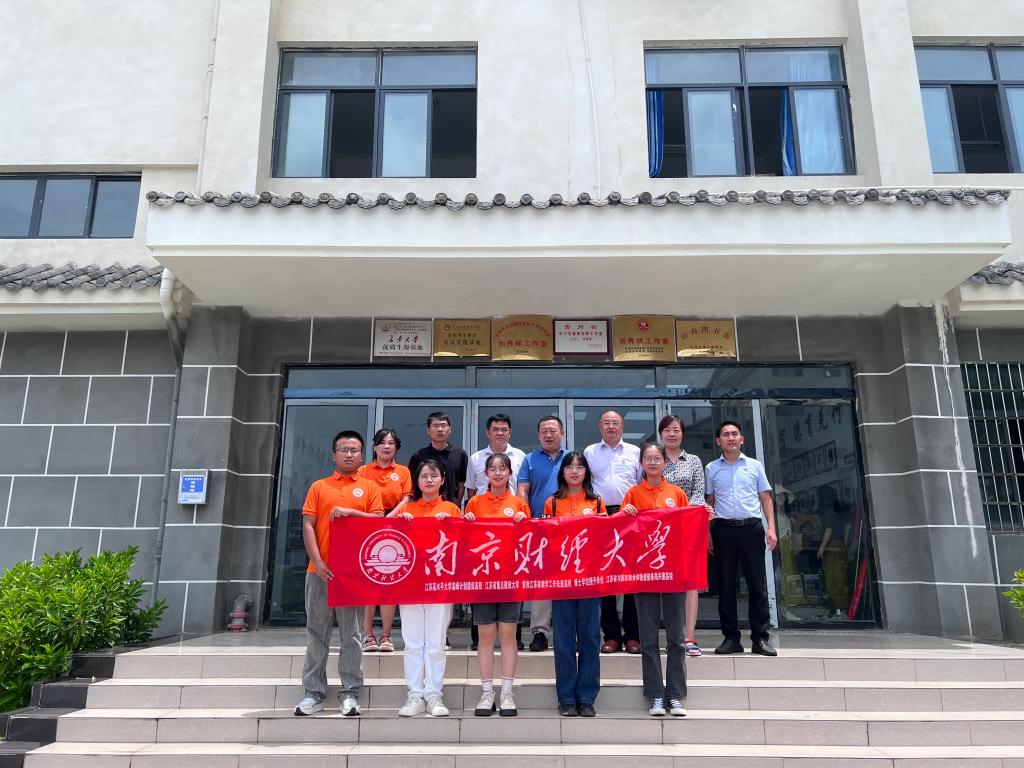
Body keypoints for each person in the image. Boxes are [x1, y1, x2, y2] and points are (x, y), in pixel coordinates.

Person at [294, 430, 384, 717]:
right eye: (344, 449)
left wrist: (351, 512)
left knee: (352, 635)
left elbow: (379, 521)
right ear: (333, 455)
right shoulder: (319, 487)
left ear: (362, 455)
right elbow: (308, 524)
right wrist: (317, 561)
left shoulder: (369, 488)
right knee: (316, 633)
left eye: (354, 450)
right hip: (319, 572)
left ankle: (350, 692)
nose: (349, 454)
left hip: (353, 574)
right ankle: (313, 693)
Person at [620, 442, 690, 717]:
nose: (652, 462)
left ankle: (675, 695)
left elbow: (687, 528)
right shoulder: (633, 494)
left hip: (673, 571)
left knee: (676, 637)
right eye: (647, 458)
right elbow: (622, 532)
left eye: (656, 458)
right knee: (648, 637)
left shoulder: (677, 493)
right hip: (644, 571)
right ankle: (655, 695)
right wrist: (624, 516)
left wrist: (702, 516)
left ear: (664, 462)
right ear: (641, 464)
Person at [390, 459, 460, 718]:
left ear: (442, 480)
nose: (429, 480)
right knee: (412, 642)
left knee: (435, 643)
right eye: (424, 476)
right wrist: (400, 522)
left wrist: (452, 525)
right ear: (417, 482)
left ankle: (433, 694)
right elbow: (386, 535)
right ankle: (414, 694)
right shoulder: (407, 508)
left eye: (434, 475)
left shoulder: (451, 508)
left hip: (440, 585)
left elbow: (463, 545)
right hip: (410, 584)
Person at [463, 452, 530, 716]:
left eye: (503, 468)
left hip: (511, 579)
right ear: (486, 474)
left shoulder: (519, 504)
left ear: (510, 474)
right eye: (493, 468)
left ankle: (507, 692)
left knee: (508, 635)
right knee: (486, 636)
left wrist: (525, 524)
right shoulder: (474, 503)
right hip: (483, 579)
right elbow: (465, 543)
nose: (498, 472)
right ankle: (487, 692)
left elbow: (530, 543)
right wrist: (467, 524)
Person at [705, 420, 779, 656]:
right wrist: (707, 532)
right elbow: (709, 502)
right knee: (726, 586)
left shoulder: (754, 466)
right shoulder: (711, 468)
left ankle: (760, 638)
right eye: (725, 434)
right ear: (718, 441)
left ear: (742, 439)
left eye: (734, 434)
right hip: (723, 530)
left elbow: (765, 497)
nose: (730, 438)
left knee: (757, 585)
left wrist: (771, 528)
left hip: (751, 529)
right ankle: (731, 638)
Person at [543, 451, 605, 718]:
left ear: (586, 472)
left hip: (590, 578)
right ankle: (566, 697)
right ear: (563, 472)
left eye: (580, 467)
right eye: (570, 467)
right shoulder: (552, 503)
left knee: (590, 637)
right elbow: (545, 539)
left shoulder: (597, 502)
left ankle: (587, 696)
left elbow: (605, 538)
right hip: (562, 580)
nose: (575, 471)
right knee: (564, 639)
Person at [465, 413, 527, 651]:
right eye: (495, 429)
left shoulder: (520, 456)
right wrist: (473, 516)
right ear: (487, 432)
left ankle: (514, 637)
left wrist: (522, 516)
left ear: (510, 432)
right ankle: (478, 637)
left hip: (511, 542)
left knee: (511, 597)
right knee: (482, 597)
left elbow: (523, 488)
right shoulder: (476, 458)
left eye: (504, 429)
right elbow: (471, 490)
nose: (500, 432)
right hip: (483, 544)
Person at [584, 410, 642, 653]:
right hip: (601, 517)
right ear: (600, 426)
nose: (611, 427)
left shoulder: (634, 452)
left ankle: (632, 636)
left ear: (622, 426)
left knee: (630, 577)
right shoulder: (590, 452)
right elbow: (585, 484)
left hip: (628, 516)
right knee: (605, 577)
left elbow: (640, 484)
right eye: (606, 423)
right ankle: (611, 636)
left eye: (615, 423)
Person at [659, 415, 712, 657]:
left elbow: (699, 494)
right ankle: (671, 635)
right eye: (667, 430)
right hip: (661, 531)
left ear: (682, 434)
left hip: (689, 528)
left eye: (676, 430)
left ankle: (689, 637)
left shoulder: (693, 461)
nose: (672, 434)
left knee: (690, 583)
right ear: (661, 434)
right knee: (666, 581)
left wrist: (685, 515)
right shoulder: (655, 458)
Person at [516, 415, 567, 654]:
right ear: (538, 435)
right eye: (544, 431)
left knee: (567, 580)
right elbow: (523, 490)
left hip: (567, 529)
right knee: (541, 582)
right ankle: (539, 632)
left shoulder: (571, 459)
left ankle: (567, 631)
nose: (549, 434)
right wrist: (527, 519)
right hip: (539, 528)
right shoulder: (529, 459)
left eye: (553, 430)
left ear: (562, 433)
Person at [359, 428, 412, 653]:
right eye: (382, 443)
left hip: (393, 526)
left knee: (389, 583)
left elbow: (407, 498)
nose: (386, 447)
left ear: (396, 447)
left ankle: (387, 636)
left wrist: (388, 518)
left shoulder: (403, 471)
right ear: (375, 446)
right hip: (368, 525)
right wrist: (374, 518)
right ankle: (368, 635)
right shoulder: (363, 470)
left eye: (391, 443)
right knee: (369, 584)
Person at [405, 411, 469, 507]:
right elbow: (412, 485)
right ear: (428, 430)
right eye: (435, 426)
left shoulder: (460, 454)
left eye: (443, 425)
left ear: (450, 429)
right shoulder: (418, 456)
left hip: (450, 509)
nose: (440, 429)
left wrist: (456, 504)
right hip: (423, 509)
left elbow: (461, 485)